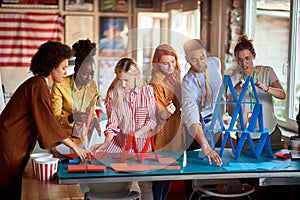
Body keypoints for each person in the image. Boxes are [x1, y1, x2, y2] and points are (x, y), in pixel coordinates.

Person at [0, 41, 86, 199]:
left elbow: (40, 122)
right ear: (52, 67)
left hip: (13, 140)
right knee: (7, 187)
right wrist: (75, 147)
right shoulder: (39, 86)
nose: (65, 72)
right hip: (10, 142)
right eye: (63, 68)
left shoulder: (39, 84)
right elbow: (48, 121)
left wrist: (53, 150)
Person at [91, 57, 157, 200]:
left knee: (145, 184)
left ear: (135, 75)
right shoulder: (113, 93)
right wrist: (106, 143)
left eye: (126, 80)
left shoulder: (147, 91)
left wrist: (135, 135)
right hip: (119, 144)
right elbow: (112, 123)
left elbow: (152, 121)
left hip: (141, 146)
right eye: (120, 79)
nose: (123, 84)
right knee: (113, 180)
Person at [227, 34, 286, 150]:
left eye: (247, 58)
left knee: (275, 167)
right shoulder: (234, 80)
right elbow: (230, 112)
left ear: (254, 56)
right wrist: (236, 95)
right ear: (236, 60)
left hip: (270, 133)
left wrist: (266, 88)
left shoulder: (267, 72)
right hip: (247, 136)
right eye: (240, 60)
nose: (244, 63)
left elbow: (282, 95)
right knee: (247, 167)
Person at [181, 39, 223, 199]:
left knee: (213, 173)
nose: (199, 63)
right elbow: (191, 116)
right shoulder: (188, 83)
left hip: (216, 127)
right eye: (193, 59)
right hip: (196, 133)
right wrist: (204, 143)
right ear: (186, 59)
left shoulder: (215, 63)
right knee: (193, 174)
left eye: (202, 57)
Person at [51, 39, 100, 156]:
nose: (88, 78)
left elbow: (90, 111)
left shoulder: (93, 86)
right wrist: (71, 117)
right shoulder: (60, 85)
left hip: (81, 140)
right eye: (84, 74)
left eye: (92, 74)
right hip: (62, 141)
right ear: (76, 70)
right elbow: (53, 119)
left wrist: (94, 120)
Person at [150, 44, 184, 200]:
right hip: (162, 136)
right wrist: (167, 112)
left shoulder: (175, 79)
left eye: (173, 61)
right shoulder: (156, 83)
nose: (170, 66)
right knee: (161, 179)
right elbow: (160, 114)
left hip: (175, 134)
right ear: (157, 63)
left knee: (169, 176)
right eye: (166, 63)